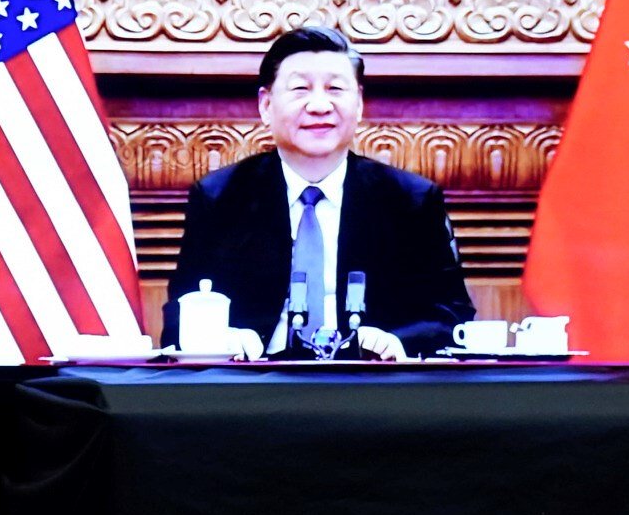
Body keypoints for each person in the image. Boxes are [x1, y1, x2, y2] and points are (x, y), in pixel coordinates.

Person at [163, 25, 474, 359]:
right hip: (255, 386)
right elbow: (180, 314)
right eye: (300, 89)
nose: (319, 105)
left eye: (335, 88)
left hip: (372, 388)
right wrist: (225, 337)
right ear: (266, 106)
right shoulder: (220, 197)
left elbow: (453, 313)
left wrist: (398, 341)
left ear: (359, 104)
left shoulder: (409, 200)